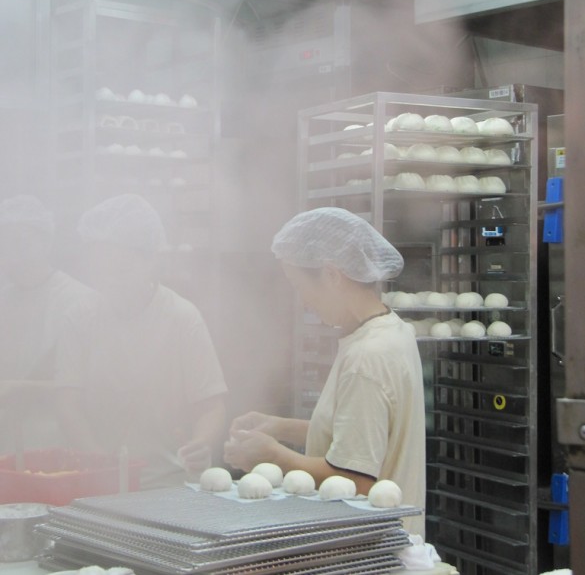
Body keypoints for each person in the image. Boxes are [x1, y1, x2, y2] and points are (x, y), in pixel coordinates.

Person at [223, 207, 426, 536]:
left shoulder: (367, 357)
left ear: (333, 275)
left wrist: (273, 455)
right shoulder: (391, 331)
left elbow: (356, 481)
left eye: (300, 286)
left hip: (372, 549)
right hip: (387, 541)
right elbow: (361, 434)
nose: (302, 302)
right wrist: (280, 427)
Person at [55, 193, 227, 489]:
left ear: (152, 261)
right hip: (95, 480)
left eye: (122, 269)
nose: (112, 280)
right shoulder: (80, 318)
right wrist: (101, 465)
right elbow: (67, 402)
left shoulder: (181, 318)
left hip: (169, 482)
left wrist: (200, 443)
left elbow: (212, 403)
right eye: (103, 269)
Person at [0, 195, 97, 454]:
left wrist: (22, 390)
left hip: (59, 448)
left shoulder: (80, 301)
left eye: (20, 242)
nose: (10, 253)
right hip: (7, 448)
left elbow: (100, 387)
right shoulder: (4, 301)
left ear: (46, 242)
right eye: (4, 243)